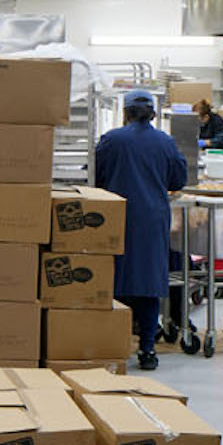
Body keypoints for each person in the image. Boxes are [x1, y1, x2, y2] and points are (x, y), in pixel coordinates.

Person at [95, 89, 188, 371]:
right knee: (149, 284)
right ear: (153, 114)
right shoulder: (165, 142)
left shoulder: (111, 140)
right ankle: (147, 349)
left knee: (116, 282)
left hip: (116, 217)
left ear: (125, 112)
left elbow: (95, 176)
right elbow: (179, 179)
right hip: (151, 220)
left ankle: (115, 345)